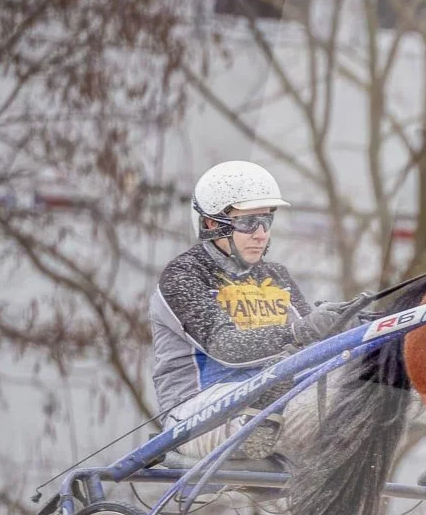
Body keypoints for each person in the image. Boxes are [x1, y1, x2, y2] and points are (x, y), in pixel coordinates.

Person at [149, 160, 351, 462]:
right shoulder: (184, 276)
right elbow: (226, 347)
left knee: (368, 384)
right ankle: (264, 414)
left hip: (275, 398)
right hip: (198, 412)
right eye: (247, 223)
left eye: (266, 222)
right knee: (343, 403)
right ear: (211, 223)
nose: (261, 234)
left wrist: (345, 324)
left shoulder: (276, 276)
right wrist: (301, 330)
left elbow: (313, 349)